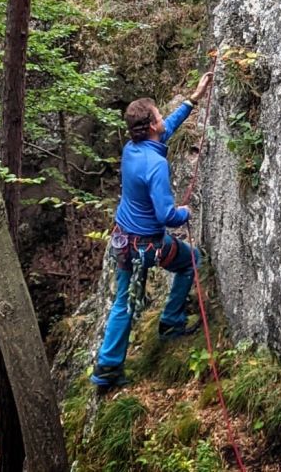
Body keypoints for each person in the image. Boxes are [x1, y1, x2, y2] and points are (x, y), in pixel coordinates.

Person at [90, 71, 213, 390]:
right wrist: (184, 211)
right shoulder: (155, 165)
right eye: (159, 114)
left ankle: (107, 367)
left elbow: (166, 129)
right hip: (145, 246)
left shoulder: (133, 149)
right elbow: (166, 215)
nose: (162, 118)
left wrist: (193, 99)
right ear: (151, 126)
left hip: (123, 240)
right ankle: (171, 322)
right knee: (191, 262)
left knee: (124, 302)